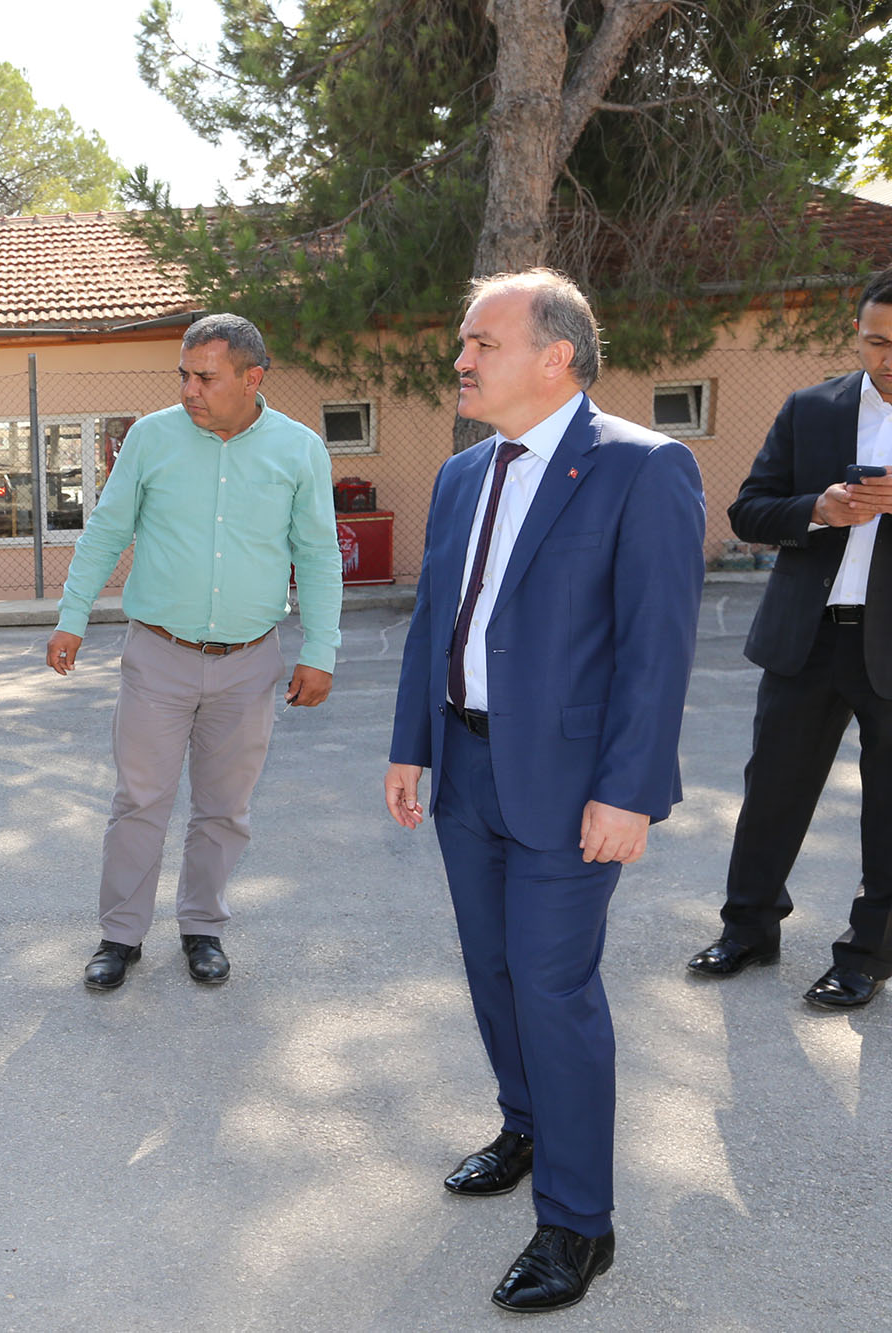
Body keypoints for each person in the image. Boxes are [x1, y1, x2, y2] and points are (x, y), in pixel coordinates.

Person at [383, 270, 704, 1313]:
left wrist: (629, 792)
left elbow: (656, 649)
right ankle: (525, 1124)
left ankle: (577, 1222)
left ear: (554, 356)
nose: (461, 359)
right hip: (463, 767)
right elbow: (435, 620)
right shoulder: (459, 474)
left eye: (482, 342)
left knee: (553, 987)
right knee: (492, 970)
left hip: (572, 788)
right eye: (463, 341)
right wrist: (410, 745)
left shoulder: (642, 467)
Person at [47, 313, 340, 991]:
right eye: (184, 375)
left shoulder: (299, 450)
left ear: (252, 377)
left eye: (205, 377)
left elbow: (319, 556)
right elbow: (107, 530)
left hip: (249, 662)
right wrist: (72, 616)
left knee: (224, 808)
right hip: (159, 655)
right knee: (139, 801)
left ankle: (202, 927)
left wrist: (321, 650)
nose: (189, 390)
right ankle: (121, 936)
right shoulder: (151, 438)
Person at [686, 269, 892, 1007]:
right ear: (857, 335)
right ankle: (748, 929)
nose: (888, 358)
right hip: (806, 638)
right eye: (876, 341)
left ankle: (867, 954)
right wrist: (818, 508)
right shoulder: (811, 409)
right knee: (772, 790)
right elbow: (748, 510)